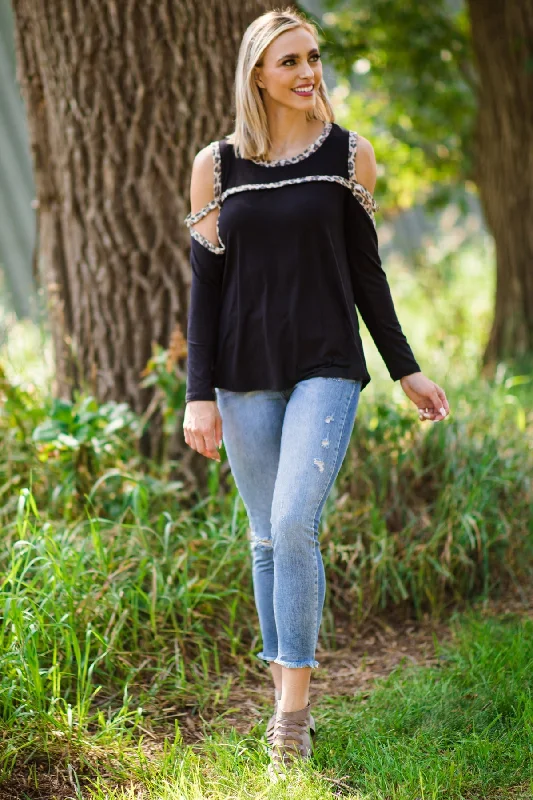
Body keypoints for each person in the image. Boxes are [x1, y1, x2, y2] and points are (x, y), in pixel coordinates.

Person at [182, 6, 450, 778]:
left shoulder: (348, 155)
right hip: (241, 371)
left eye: (313, 57)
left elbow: (367, 272)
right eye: (289, 62)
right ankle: (282, 697)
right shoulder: (216, 166)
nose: (308, 73)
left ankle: (289, 723)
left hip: (326, 364)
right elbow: (206, 292)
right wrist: (199, 394)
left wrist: (405, 368)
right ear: (256, 76)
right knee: (264, 536)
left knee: (295, 520)